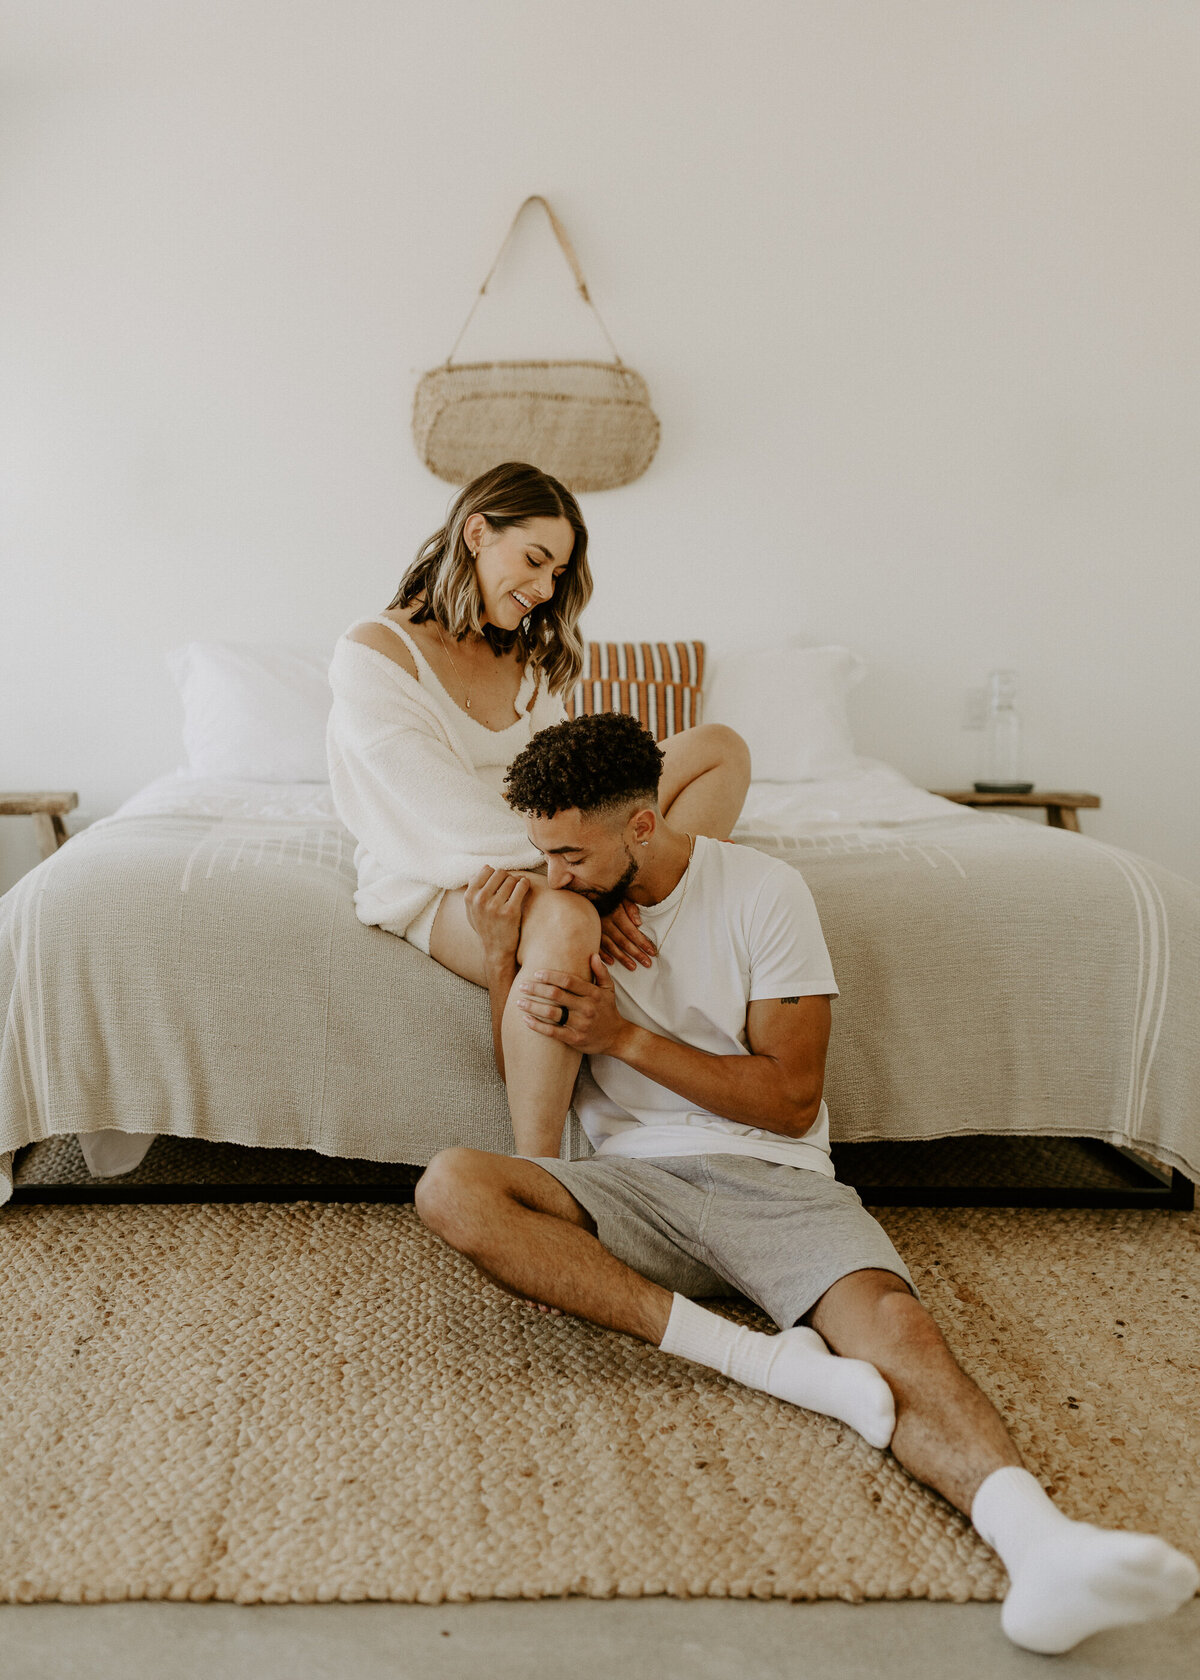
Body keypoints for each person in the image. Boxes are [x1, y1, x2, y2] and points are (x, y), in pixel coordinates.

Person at [413, 710, 1199, 1657]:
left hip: (771, 1178)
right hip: (628, 1188)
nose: (557, 880)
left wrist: (622, 1037)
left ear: (643, 826)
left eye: (572, 857)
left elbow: (789, 1102)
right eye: (544, 855)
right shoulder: (562, 913)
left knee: (899, 1330)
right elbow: (530, 1066)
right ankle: (768, 1362)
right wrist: (507, 954)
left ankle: (1042, 1546)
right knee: (453, 1186)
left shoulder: (762, 892)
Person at [326, 461, 751, 1155]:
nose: (544, 588)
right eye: (534, 559)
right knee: (564, 918)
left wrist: (606, 871)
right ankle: (540, 1166)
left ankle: (635, 891)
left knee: (718, 747)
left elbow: (561, 778)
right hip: (440, 871)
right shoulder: (373, 651)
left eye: (557, 573)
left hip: (558, 846)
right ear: (475, 533)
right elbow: (442, 814)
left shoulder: (526, 650)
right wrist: (590, 880)